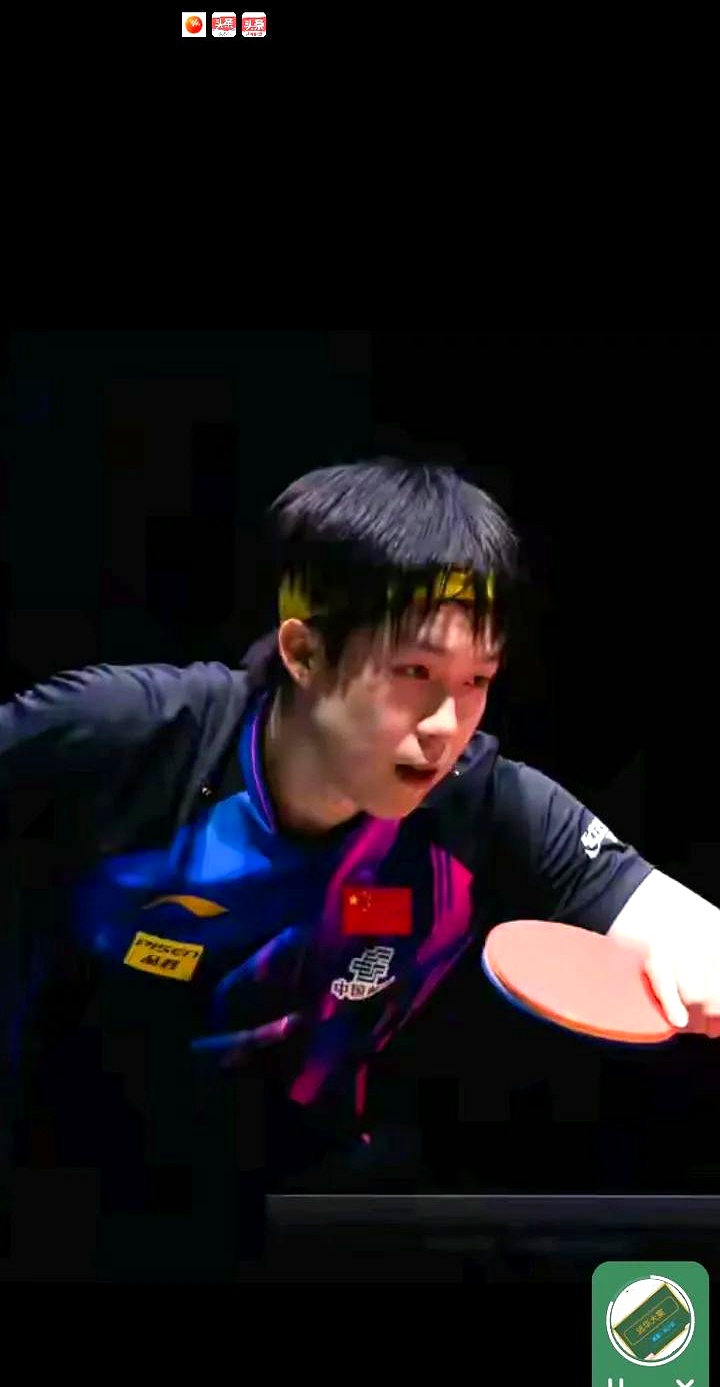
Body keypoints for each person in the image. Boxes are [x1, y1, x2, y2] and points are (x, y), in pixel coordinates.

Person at [2, 457, 720, 1279]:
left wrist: (701, 960)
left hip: (312, 1220)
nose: (446, 725)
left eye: (477, 681)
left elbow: (676, 922)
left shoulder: (483, 805)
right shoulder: (128, 736)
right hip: (58, 1202)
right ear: (305, 652)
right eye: (414, 674)